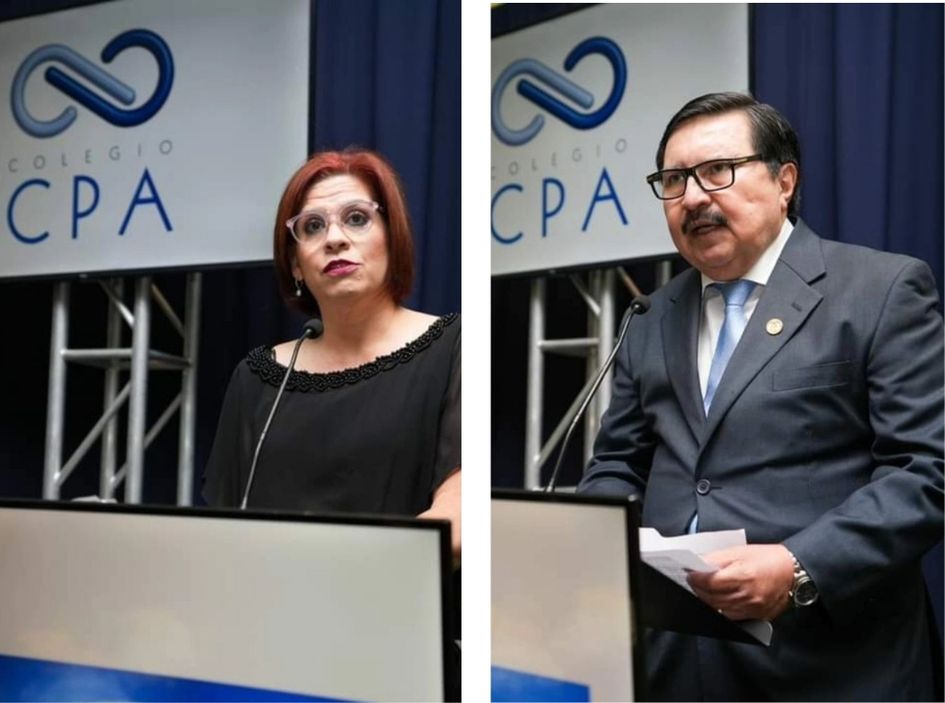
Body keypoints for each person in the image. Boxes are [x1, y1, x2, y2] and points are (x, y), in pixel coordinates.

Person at [578, 92, 943, 701]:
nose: (693, 197)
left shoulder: (880, 289)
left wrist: (800, 566)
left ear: (784, 182)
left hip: (828, 663)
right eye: (674, 181)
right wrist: (598, 544)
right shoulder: (650, 315)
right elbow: (618, 464)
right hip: (675, 660)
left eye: (717, 171)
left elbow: (926, 471)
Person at [202, 149, 461, 559]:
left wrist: (345, 576)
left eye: (356, 218)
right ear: (295, 265)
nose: (335, 239)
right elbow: (224, 532)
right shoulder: (257, 378)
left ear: (393, 237)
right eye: (312, 226)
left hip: (401, 588)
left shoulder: (455, 346)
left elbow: (461, 512)